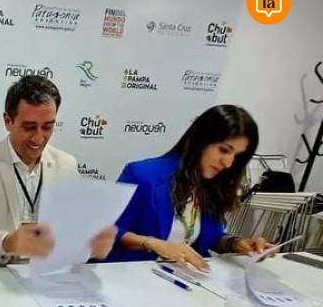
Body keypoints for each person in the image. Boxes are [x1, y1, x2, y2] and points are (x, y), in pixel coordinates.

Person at [0, 75, 115, 269]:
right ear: (7, 121)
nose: (39, 138)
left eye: (47, 127)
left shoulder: (67, 165)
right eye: (29, 127)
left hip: (45, 274)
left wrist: (89, 241)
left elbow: (72, 227)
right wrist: (6, 242)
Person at [107, 104, 271, 270]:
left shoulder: (211, 185)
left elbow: (211, 236)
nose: (228, 163)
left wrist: (235, 243)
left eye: (237, 156)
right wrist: (152, 243)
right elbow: (108, 231)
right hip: (133, 274)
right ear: (201, 140)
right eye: (223, 150)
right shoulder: (142, 175)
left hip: (183, 275)